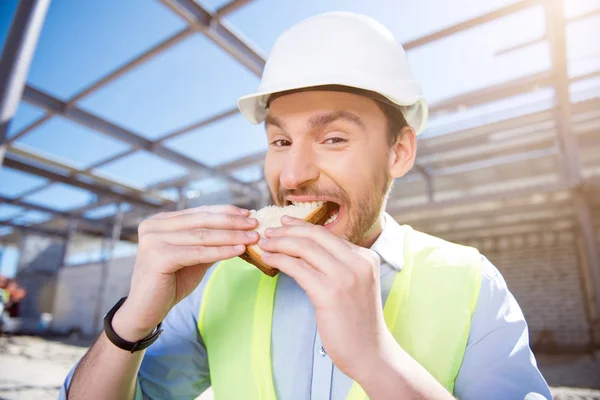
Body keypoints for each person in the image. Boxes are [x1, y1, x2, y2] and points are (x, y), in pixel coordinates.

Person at [61, 12, 552, 400]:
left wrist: (376, 359)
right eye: (279, 141)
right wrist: (132, 321)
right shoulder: (218, 283)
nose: (292, 176)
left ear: (399, 152)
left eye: (334, 138)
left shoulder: (471, 281)